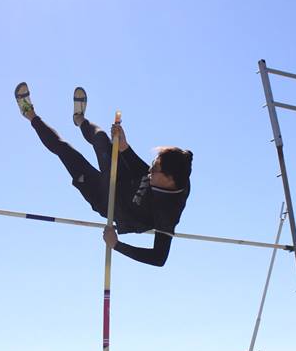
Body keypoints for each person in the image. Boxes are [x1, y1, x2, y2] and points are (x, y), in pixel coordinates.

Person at [15, 82, 192, 267]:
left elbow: (159, 258)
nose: (151, 170)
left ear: (169, 180)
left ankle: (30, 115)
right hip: (125, 180)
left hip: (109, 202)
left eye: (155, 170)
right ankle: (79, 119)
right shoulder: (168, 171)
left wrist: (116, 245)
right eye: (154, 163)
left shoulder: (169, 211)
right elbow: (143, 172)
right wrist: (125, 147)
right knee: (100, 138)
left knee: (65, 151)